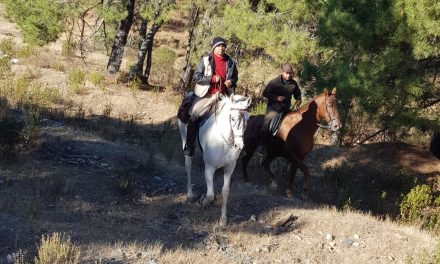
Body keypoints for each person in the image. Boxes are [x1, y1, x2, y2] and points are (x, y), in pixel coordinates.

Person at [183, 36, 238, 156]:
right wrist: (211, 79)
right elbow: (196, 77)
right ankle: (190, 145)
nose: (221, 48)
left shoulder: (230, 62)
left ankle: (236, 148)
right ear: (214, 48)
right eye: (218, 46)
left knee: (238, 115)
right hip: (207, 94)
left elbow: (235, 78)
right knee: (195, 114)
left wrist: (231, 82)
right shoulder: (206, 60)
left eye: (223, 46)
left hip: (224, 95)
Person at [258, 63, 302, 155]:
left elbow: (297, 94)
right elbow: (265, 93)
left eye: (290, 73)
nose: (289, 75)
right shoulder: (274, 82)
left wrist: (298, 100)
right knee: (267, 122)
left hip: (286, 108)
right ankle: (262, 146)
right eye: (287, 73)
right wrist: (276, 98)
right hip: (273, 108)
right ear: (282, 73)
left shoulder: (293, 83)